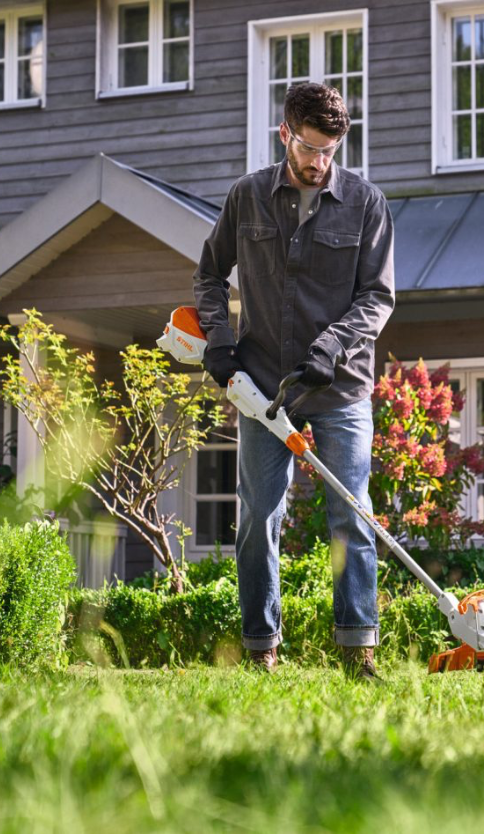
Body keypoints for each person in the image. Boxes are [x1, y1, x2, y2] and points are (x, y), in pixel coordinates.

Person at [192, 81, 396, 680]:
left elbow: (377, 298)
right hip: (263, 387)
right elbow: (209, 275)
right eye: (309, 148)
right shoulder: (248, 196)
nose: (319, 162)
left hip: (340, 387)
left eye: (330, 151)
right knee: (259, 516)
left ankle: (358, 652)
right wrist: (219, 341)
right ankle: (261, 648)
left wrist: (332, 345)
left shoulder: (366, 203)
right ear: (285, 134)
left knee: (350, 515)